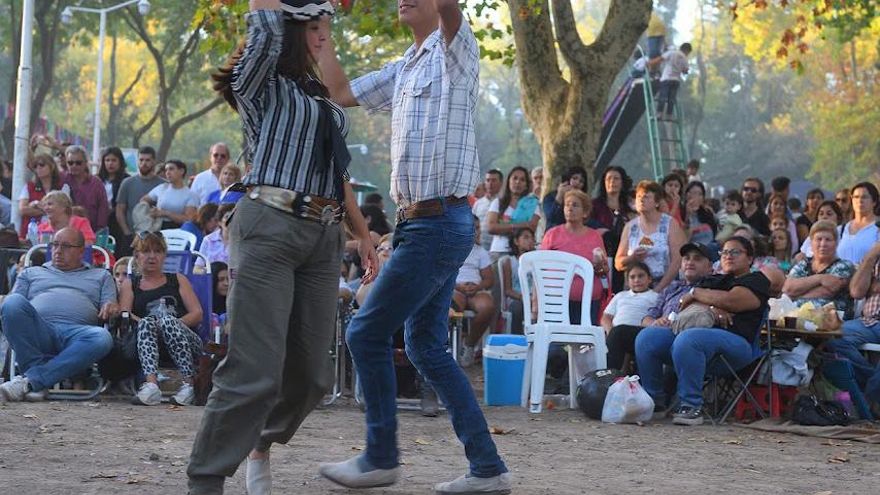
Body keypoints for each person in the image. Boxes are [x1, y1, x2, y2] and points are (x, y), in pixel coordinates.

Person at [317, 0, 511, 492]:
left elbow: (448, 8)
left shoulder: (457, 49)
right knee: (425, 346)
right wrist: (318, 25)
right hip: (420, 224)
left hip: (439, 222)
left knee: (364, 332)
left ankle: (381, 457)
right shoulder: (403, 68)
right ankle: (487, 469)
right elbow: (337, 92)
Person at [187, 2, 378, 494]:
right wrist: (285, 12)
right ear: (292, 28)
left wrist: (362, 236)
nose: (323, 36)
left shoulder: (322, 95)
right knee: (255, 368)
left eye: (327, 27)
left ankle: (259, 440)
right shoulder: (260, 84)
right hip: (268, 223)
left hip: (324, 232)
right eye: (314, 27)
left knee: (314, 373)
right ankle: (206, 480)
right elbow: (265, 23)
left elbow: (339, 173)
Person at [636, 236, 771, 425]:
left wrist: (698, 294)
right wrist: (712, 307)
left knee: (689, 339)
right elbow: (684, 304)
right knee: (648, 337)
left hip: (737, 344)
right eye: (724, 252)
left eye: (735, 252)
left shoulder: (756, 280)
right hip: (697, 340)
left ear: (749, 259)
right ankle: (654, 401)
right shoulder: (714, 280)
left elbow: (733, 301)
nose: (728, 256)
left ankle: (691, 406)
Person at [0, 228, 116, 402]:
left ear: (81, 251)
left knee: (102, 337)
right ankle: (36, 380)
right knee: (12, 303)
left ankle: (30, 381)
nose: (58, 251)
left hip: (78, 335)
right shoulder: (31, 273)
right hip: (39, 330)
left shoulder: (101, 276)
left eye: (66, 246)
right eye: (54, 245)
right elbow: (11, 306)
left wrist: (110, 306)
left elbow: (110, 304)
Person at [119, 231, 204, 406]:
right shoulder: (131, 284)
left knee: (167, 320)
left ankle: (189, 385)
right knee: (147, 322)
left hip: (186, 341)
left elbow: (197, 313)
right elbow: (125, 314)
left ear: (164, 255)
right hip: (148, 342)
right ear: (137, 255)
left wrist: (168, 325)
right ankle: (152, 385)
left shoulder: (177, 280)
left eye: (157, 251)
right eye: (146, 251)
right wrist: (153, 325)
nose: (152, 256)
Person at [541, 189, 608, 325]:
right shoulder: (552, 234)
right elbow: (540, 270)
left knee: (583, 344)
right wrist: (536, 301)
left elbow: (603, 273)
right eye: (567, 205)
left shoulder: (595, 236)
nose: (570, 208)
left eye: (575, 205)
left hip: (588, 301)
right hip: (555, 300)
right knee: (557, 344)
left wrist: (599, 265)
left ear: (585, 212)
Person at [826, 242, 880, 404]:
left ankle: (870, 401)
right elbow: (856, 292)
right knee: (831, 337)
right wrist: (871, 256)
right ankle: (871, 386)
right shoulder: (874, 257)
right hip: (868, 322)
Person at [616, 180, 686, 291]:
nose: (641, 200)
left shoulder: (669, 224)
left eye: (646, 197)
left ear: (657, 202)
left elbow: (677, 261)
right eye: (638, 197)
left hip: (664, 287)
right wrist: (632, 258)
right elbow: (618, 263)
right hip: (635, 289)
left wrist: (658, 289)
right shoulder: (630, 227)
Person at [783, 221, 855, 314]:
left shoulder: (844, 266)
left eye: (828, 240)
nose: (823, 244)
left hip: (831, 320)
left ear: (836, 243)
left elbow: (828, 291)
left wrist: (797, 293)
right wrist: (820, 278)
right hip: (799, 317)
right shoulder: (803, 264)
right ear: (811, 243)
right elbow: (788, 288)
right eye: (819, 239)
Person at [455, 217, 496, 367]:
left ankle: (469, 345)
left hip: (475, 289)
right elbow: (442, 274)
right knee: (452, 306)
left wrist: (477, 287)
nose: (476, 231)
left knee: (488, 307)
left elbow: (489, 280)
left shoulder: (480, 251)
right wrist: (458, 287)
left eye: (478, 228)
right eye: (473, 227)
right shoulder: (450, 248)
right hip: (454, 288)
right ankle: (450, 347)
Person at [601, 262, 658, 370]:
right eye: (632, 277)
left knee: (619, 333)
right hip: (614, 333)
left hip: (639, 334)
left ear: (649, 279)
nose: (636, 280)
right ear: (627, 281)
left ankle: (610, 375)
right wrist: (610, 331)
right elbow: (606, 317)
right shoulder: (621, 295)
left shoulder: (655, 297)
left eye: (641, 276)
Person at [589, 166, 634, 292]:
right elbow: (588, 224)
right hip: (602, 254)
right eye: (608, 178)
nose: (612, 182)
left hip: (623, 255)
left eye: (616, 178)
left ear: (622, 182)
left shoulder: (629, 206)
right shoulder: (594, 205)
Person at [116, 147, 166, 257]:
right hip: (132, 236)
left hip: (155, 237)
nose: (144, 163)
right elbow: (120, 209)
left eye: (147, 160)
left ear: (154, 161)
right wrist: (126, 232)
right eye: (141, 160)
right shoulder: (127, 183)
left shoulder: (163, 185)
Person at [487, 166, 540, 259]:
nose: (517, 182)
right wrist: (519, 225)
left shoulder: (532, 204)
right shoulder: (498, 203)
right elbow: (491, 228)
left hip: (523, 253)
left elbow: (531, 227)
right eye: (515, 178)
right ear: (508, 181)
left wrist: (503, 227)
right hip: (499, 251)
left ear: (526, 185)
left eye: (522, 180)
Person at [18, 153, 70, 239]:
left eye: (41, 165)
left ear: (52, 166)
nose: (38, 168)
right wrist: (50, 210)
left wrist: (37, 207)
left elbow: (65, 210)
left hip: (56, 233)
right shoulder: (29, 186)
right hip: (31, 235)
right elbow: (23, 209)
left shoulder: (63, 187)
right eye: (35, 166)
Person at [62, 145, 109, 232]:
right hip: (66, 232)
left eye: (78, 163)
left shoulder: (96, 183)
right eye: (70, 163)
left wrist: (99, 231)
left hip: (91, 232)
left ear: (85, 163)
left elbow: (103, 209)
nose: (74, 166)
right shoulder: (62, 180)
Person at [141, 160, 199, 230]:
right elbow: (143, 200)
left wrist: (165, 213)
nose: (167, 172)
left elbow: (188, 220)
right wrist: (150, 210)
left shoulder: (190, 194)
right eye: (166, 170)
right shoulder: (162, 188)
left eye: (171, 169)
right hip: (158, 230)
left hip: (179, 233)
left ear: (181, 171)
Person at [500, 227, 535, 335]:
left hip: (534, 298)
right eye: (525, 237)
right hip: (517, 298)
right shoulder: (509, 262)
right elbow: (508, 290)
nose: (530, 241)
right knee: (517, 308)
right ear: (516, 241)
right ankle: (517, 342)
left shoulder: (536, 261)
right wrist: (524, 297)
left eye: (532, 238)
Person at [837, 182, 879, 266]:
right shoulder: (841, 229)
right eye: (856, 197)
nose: (860, 201)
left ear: (874, 202)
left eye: (864, 197)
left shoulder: (878, 227)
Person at [98, 147, 132, 251]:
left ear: (120, 162)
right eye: (107, 160)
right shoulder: (97, 179)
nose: (110, 164)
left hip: (118, 223)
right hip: (100, 221)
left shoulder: (126, 180)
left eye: (113, 160)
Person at [543, 165, 588, 230]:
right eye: (575, 178)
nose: (577, 182)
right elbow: (551, 217)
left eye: (581, 181)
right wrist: (559, 196)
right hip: (554, 235)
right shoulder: (550, 197)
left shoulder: (583, 201)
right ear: (567, 179)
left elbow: (588, 220)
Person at [655, 42, 691, 120]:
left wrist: (650, 63)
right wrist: (682, 70)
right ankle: (669, 116)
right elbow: (686, 71)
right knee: (671, 99)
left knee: (662, 97)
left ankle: (659, 114)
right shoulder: (685, 58)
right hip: (676, 81)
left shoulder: (672, 52)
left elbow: (661, 59)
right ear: (687, 50)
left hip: (666, 78)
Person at [471, 169, 503, 251]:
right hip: (481, 246)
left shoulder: (504, 203)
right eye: (488, 180)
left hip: (497, 247)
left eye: (494, 180)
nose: (490, 183)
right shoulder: (478, 203)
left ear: (501, 183)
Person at [683, 181, 717, 248]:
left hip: (711, 250)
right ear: (687, 195)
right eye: (694, 193)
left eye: (700, 194)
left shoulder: (707, 212)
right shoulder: (682, 215)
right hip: (694, 252)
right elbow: (684, 241)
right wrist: (688, 215)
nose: (697, 197)